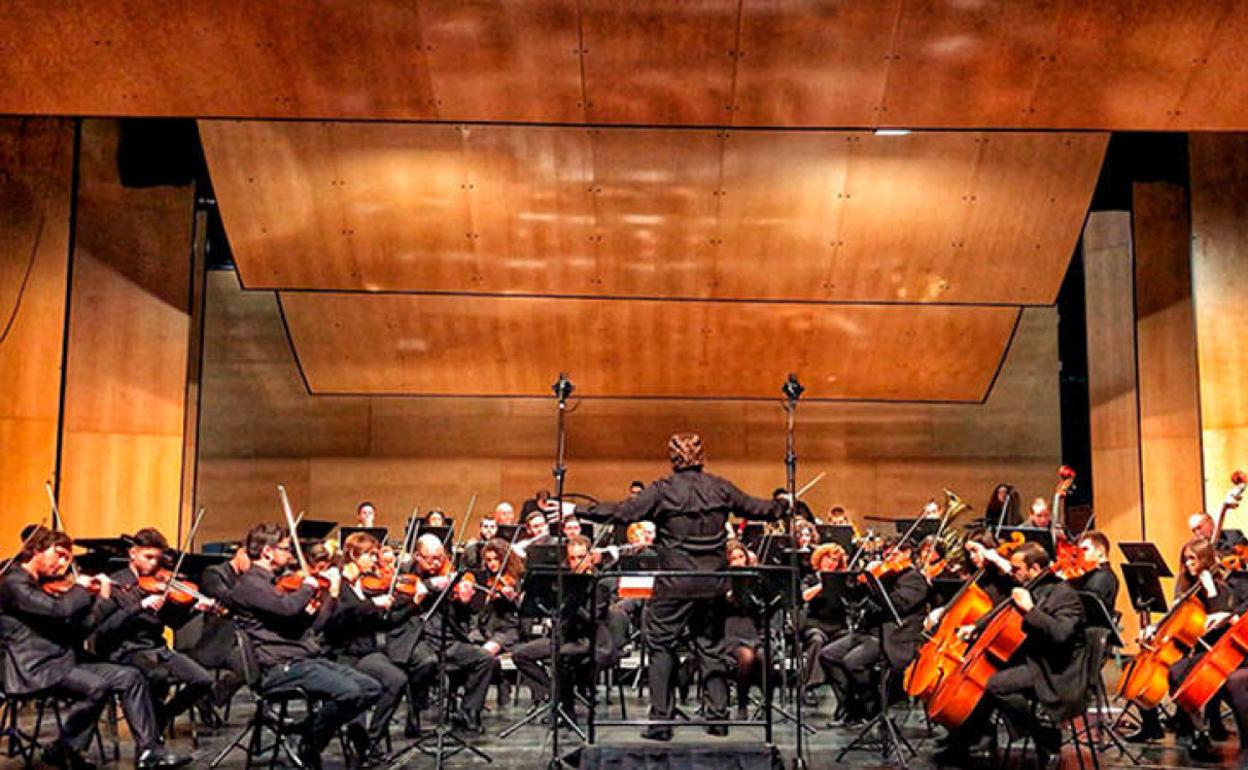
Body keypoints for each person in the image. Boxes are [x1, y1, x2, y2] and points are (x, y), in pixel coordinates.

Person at [580, 432, 787, 740]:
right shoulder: (720, 487)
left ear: (672, 456)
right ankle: (717, 718)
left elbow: (624, 513)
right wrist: (783, 503)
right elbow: (760, 508)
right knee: (711, 647)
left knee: (661, 646)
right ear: (702, 455)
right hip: (713, 584)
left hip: (675, 583)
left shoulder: (663, 490)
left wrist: (580, 510)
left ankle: (662, 722)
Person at [0, 526, 190, 770]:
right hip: (35, 667)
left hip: (61, 658)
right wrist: (80, 586)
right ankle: (64, 748)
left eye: (67, 557)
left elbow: (81, 628)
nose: (62, 563)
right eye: (58, 554)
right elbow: (60, 611)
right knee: (96, 686)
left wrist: (103, 598)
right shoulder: (13, 582)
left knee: (130, 676)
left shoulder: (44, 582)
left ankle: (149, 752)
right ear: (36, 550)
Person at [230, 523, 382, 770]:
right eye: (286, 549)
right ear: (268, 552)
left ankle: (304, 731)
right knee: (349, 693)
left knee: (371, 688)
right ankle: (310, 741)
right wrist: (308, 587)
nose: (290, 555)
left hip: (306, 659)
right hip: (279, 667)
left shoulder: (272, 584)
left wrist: (329, 597)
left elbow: (312, 627)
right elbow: (288, 608)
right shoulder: (250, 585)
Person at [935, 542, 1088, 767]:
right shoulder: (1030, 586)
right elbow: (1004, 616)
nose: (1012, 574)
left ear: (1035, 569)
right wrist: (976, 626)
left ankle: (1043, 736)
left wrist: (1030, 610)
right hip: (1033, 658)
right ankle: (970, 739)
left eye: (1017, 569)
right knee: (981, 680)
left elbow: (1061, 634)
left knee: (996, 685)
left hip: (1055, 669)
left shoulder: (1064, 594)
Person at [90, 528, 218, 736]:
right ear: (133, 554)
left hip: (156, 648)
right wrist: (140, 606)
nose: (153, 564)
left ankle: (163, 715)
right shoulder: (115, 584)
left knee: (202, 679)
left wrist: (196, 609)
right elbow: (104, 628)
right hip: (126, 650)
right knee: (156, 676)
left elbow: (174, 623)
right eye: (148, 557)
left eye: (157, 559)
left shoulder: (158, 584)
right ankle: (150, 731)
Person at [385, 534, 497, 733]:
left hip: (447, 637)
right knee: (426, 662)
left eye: (440, 557)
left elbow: (468, 612)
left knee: (485, 659)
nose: (437, 563)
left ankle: (467, 711)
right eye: (431, 558)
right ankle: (415, 712)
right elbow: (395, 613)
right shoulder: (402, 574)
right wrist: (426, 588)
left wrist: (464, 600)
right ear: (418, 556)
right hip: (417, 639)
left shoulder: (449, 574)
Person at [819, 537, 933, 724]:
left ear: (906, 554)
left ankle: (874, 706)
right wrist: (864, 584)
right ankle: (851, 706)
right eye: (887, 553)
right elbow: (861, 601)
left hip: (895, 636)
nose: (889, 558)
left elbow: (898, 606)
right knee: (828, 654)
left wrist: (877, 586)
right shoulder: (886, 575)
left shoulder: (915, 578)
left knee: (852, 662)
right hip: (869, 632)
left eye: (894, 553)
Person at [1070, 530, 1119, 609]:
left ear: (1100, 551)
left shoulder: (1104, 577)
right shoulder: (1092, 574)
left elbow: (1085, 609)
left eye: (1085, 549)